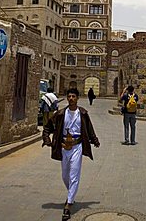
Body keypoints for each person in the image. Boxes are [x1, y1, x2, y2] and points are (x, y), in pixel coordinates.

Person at [42, 88, 100, 221]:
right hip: (63, 146)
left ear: (78, 98)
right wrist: (47, 139)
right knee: (65, 175)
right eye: (69, 96)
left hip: (77, 146)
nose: (71, 98)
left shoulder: (83, 113)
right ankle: (71, 193)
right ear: (67, 98)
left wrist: (94, 140)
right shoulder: (61, 114)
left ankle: (68, 205)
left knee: (74, 174)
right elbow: (47, 127)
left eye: (74, 96)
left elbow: (89, 128)